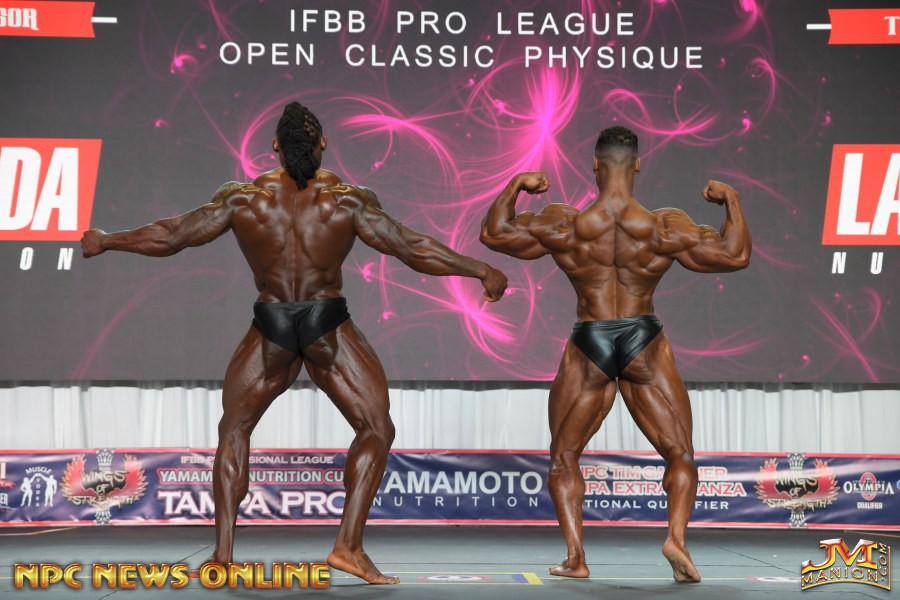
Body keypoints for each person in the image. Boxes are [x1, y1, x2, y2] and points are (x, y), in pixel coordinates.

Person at [81, 102, 508, 585]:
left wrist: (107, 240)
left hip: (271, 324)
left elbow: (173, 235)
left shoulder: (243, 199)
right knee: (375, 428)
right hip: (327, 323)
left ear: (275, 147)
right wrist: (479, 269)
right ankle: (348, 547)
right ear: (323, 144)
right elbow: (409, 247)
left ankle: (222, 554)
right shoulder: (348, 200)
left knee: (234, 429)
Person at [480, 126, 750, 582]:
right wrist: (732, 201)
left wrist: (516, 186)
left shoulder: (566, 224)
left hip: (591, 339)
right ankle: (676, 540)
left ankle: (575, 558)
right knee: (679, 453)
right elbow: (734, 254)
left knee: (564, 455)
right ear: (638, 165)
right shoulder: (664, 226)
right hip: (644, 336)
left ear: (595, 166)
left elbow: (494, 233)